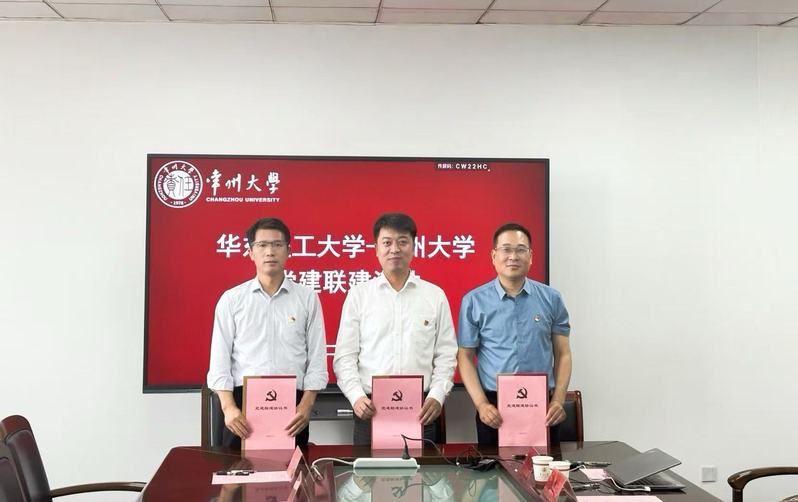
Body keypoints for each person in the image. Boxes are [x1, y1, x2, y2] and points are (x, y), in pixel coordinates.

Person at [333, 213, 458, 445]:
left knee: (422, 469)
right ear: (376, 249)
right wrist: (356, 397)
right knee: (368, 469)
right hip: (370, 408)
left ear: (414, 247)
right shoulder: (359, 295)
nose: (395, 249)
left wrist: (437, 396)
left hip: (422, 409)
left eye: (402, 242)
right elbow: (345, 356)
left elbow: (446, 355)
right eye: (387, 242)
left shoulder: (434, 296)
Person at [207, 217, 328, 449]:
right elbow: (219, 362)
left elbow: (317, 359)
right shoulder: (232, 300)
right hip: (241, 407)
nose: (270, 252)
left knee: (292, 471)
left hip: (293, 407)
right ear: (251, 253)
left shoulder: (307, 298)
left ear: (289, 251)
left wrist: (306, 406)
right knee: (238, 471)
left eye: (277, 244)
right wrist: (229, 408)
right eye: (262, 245)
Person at [457, 222, 572, 446]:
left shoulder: (552, 298)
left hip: (543, 406)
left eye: (520, 250)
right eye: (506, 249)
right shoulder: (474, 301)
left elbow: (563, 353)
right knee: (492, 468)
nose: (513, 256)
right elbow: (464, 357)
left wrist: (558, 400)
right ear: (494, 256)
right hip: (494, 406)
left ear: (531, 256)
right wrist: (481, 404)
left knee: (543, 467)